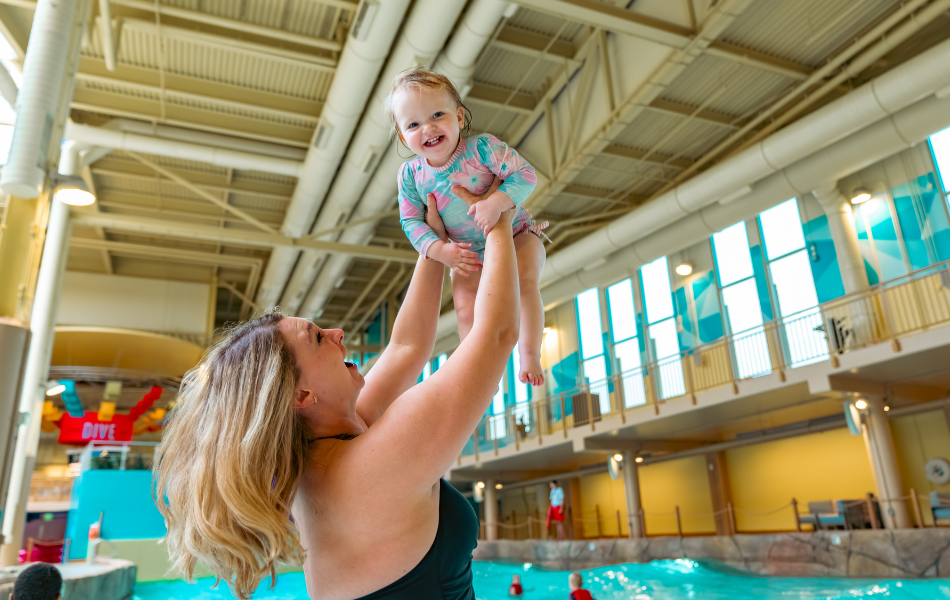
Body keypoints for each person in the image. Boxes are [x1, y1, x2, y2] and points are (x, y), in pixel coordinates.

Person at [154, 197, 522, 598]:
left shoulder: (324, 456)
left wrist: (431, 245)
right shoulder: (377, 462)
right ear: (301, 395)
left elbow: (406, 347)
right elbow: (497, 334)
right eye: (317, 338)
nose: (338, 334)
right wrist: (498, 219)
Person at [387, 67, 547, 387]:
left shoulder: (482, 149)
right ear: (404, 136)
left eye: (437, 114)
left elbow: (526, 174)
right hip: (464, 253)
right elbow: (411, 221)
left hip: (517, 234)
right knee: (464, 307)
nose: (428, 127)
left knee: (525, 282)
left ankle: (530, 354)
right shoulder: (410, 175)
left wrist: (497, 202)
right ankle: (480, 373)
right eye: (414, 124)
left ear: (459, 117)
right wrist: (439, 250)